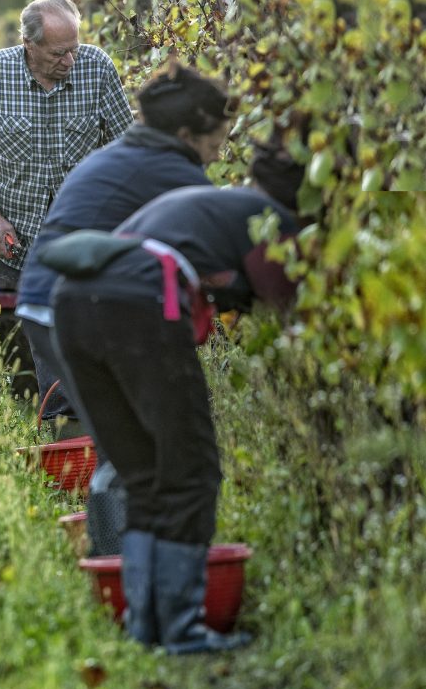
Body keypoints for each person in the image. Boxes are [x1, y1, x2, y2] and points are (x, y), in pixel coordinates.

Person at [46, 145, 305, 653]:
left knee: (142, 475)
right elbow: (287, 308)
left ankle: (147, 627)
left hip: (71, 304)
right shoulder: (268, 218)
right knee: (192, 470)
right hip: (137, 304)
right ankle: (184, 628)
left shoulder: (204, 204)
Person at [15, 62, 231, 448]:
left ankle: (110, 496)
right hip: (65, 304)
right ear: (186, 135)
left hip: (46, 297)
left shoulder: (127, 153)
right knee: (133, 438)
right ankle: (111, 495)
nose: (215, 158)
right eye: (214, 146)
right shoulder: (174, 172)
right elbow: (219, 265)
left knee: (122, 439)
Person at [0, 0, 133, 401]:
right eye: (58, 53)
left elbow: (127, 147)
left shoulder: (97, 69)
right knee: (29, 357)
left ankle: (85, 426)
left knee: (90, 338)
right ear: (29, 45)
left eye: (74, 49)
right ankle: (49, 428)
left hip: (85, 237)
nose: (70, 62)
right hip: (20, 241)